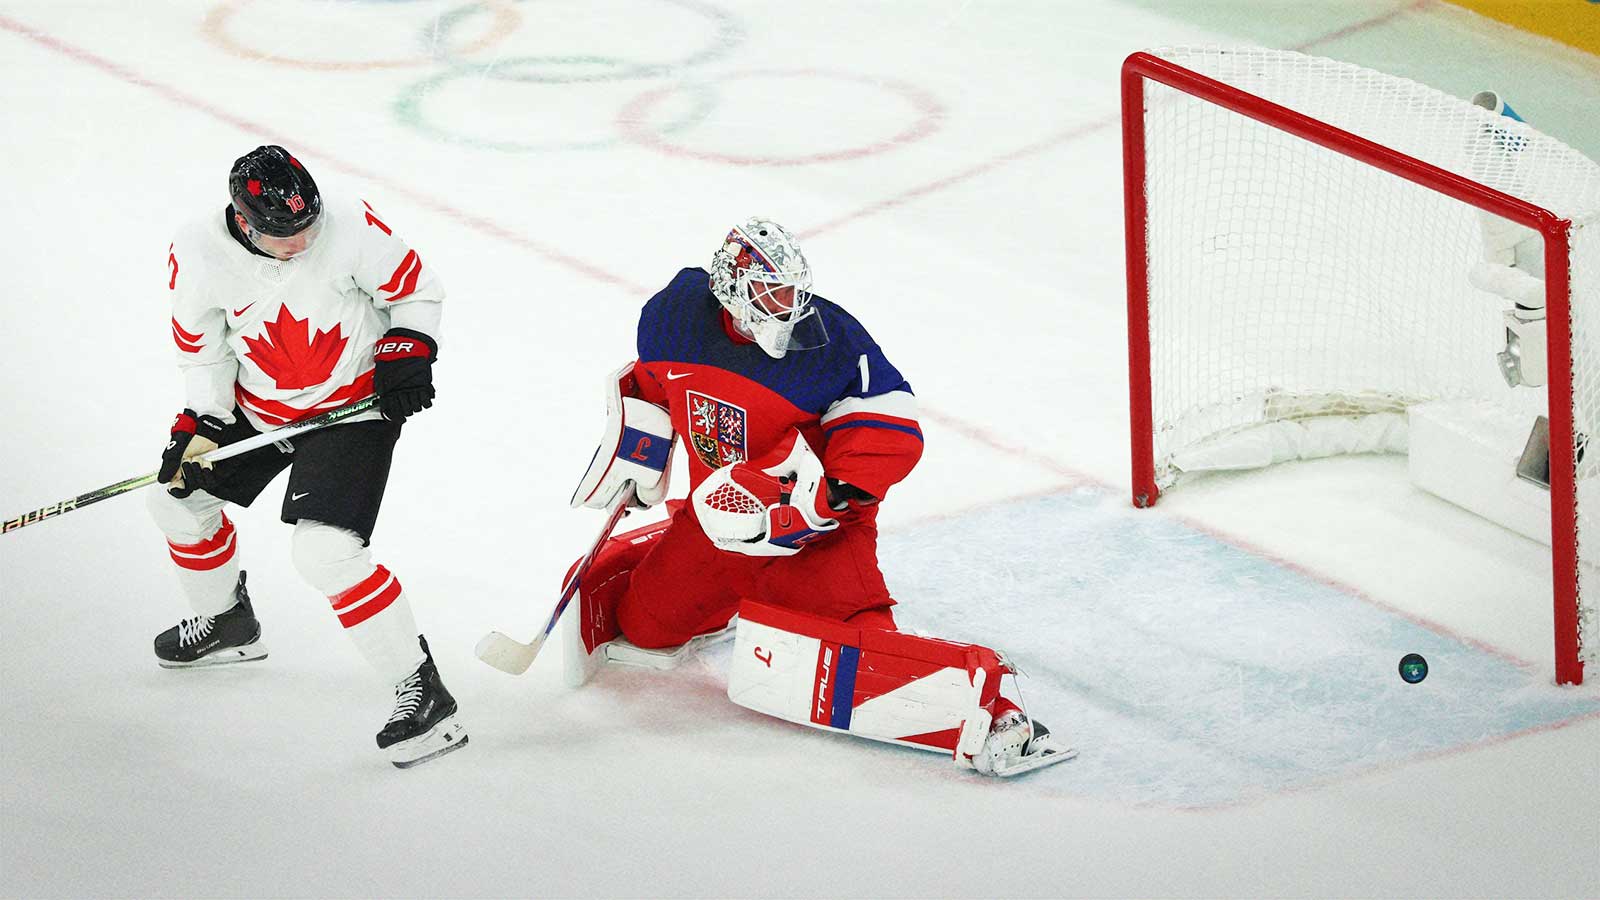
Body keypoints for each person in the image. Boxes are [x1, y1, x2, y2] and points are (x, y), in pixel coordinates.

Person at [563, 218, 1072, 776]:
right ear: (730, 288)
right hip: (716, 523)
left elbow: (887, 425)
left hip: (811, 539)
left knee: (867, 656)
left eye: (791, 291)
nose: (787, 306)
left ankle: (996, 717)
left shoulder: (831, 341)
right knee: (644, 627)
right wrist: (638, 450)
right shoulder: (675, 317)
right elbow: (652, 389)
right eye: (770, 292)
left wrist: (827, 498)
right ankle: (726, 600)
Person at [148, 145, 465, 769]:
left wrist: (409, 347)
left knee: (325, 553)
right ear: (244, 222)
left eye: (308, 225)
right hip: (260, 407)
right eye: (284, 234)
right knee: (176, 502)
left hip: (352, 408)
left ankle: (423, 691)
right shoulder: (197, 250)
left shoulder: (349, 224)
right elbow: (204, 350)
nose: (303, 241)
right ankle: (226, 623)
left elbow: (416, 290)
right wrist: (203, 421)